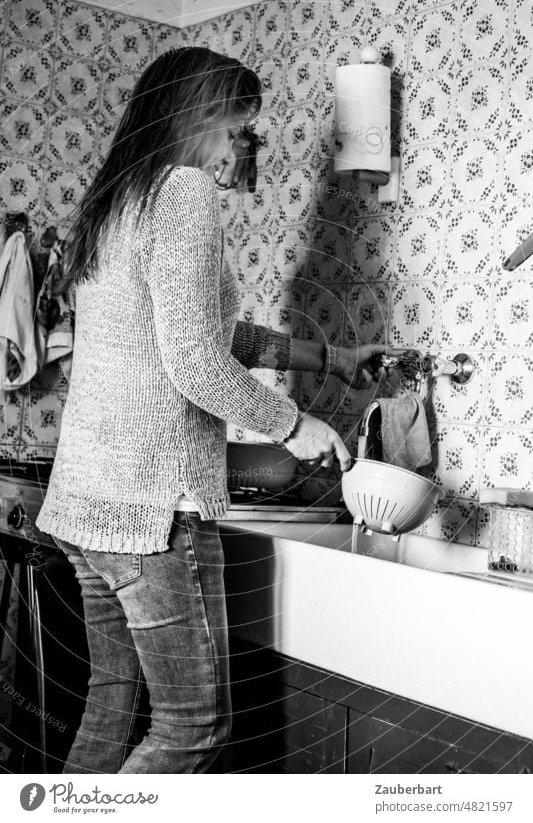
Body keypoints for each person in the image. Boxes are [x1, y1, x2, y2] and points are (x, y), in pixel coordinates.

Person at [36, 47, 394, 774]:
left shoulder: (119, 199)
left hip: (84, 502)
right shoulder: (184, 192)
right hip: (153, 509)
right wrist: (294, 425)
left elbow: (205, 330)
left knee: (111, 703)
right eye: (237, 128)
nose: (241, 147)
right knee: (192, 726)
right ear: (198, 115)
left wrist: (330, 359)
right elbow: (195, 362)